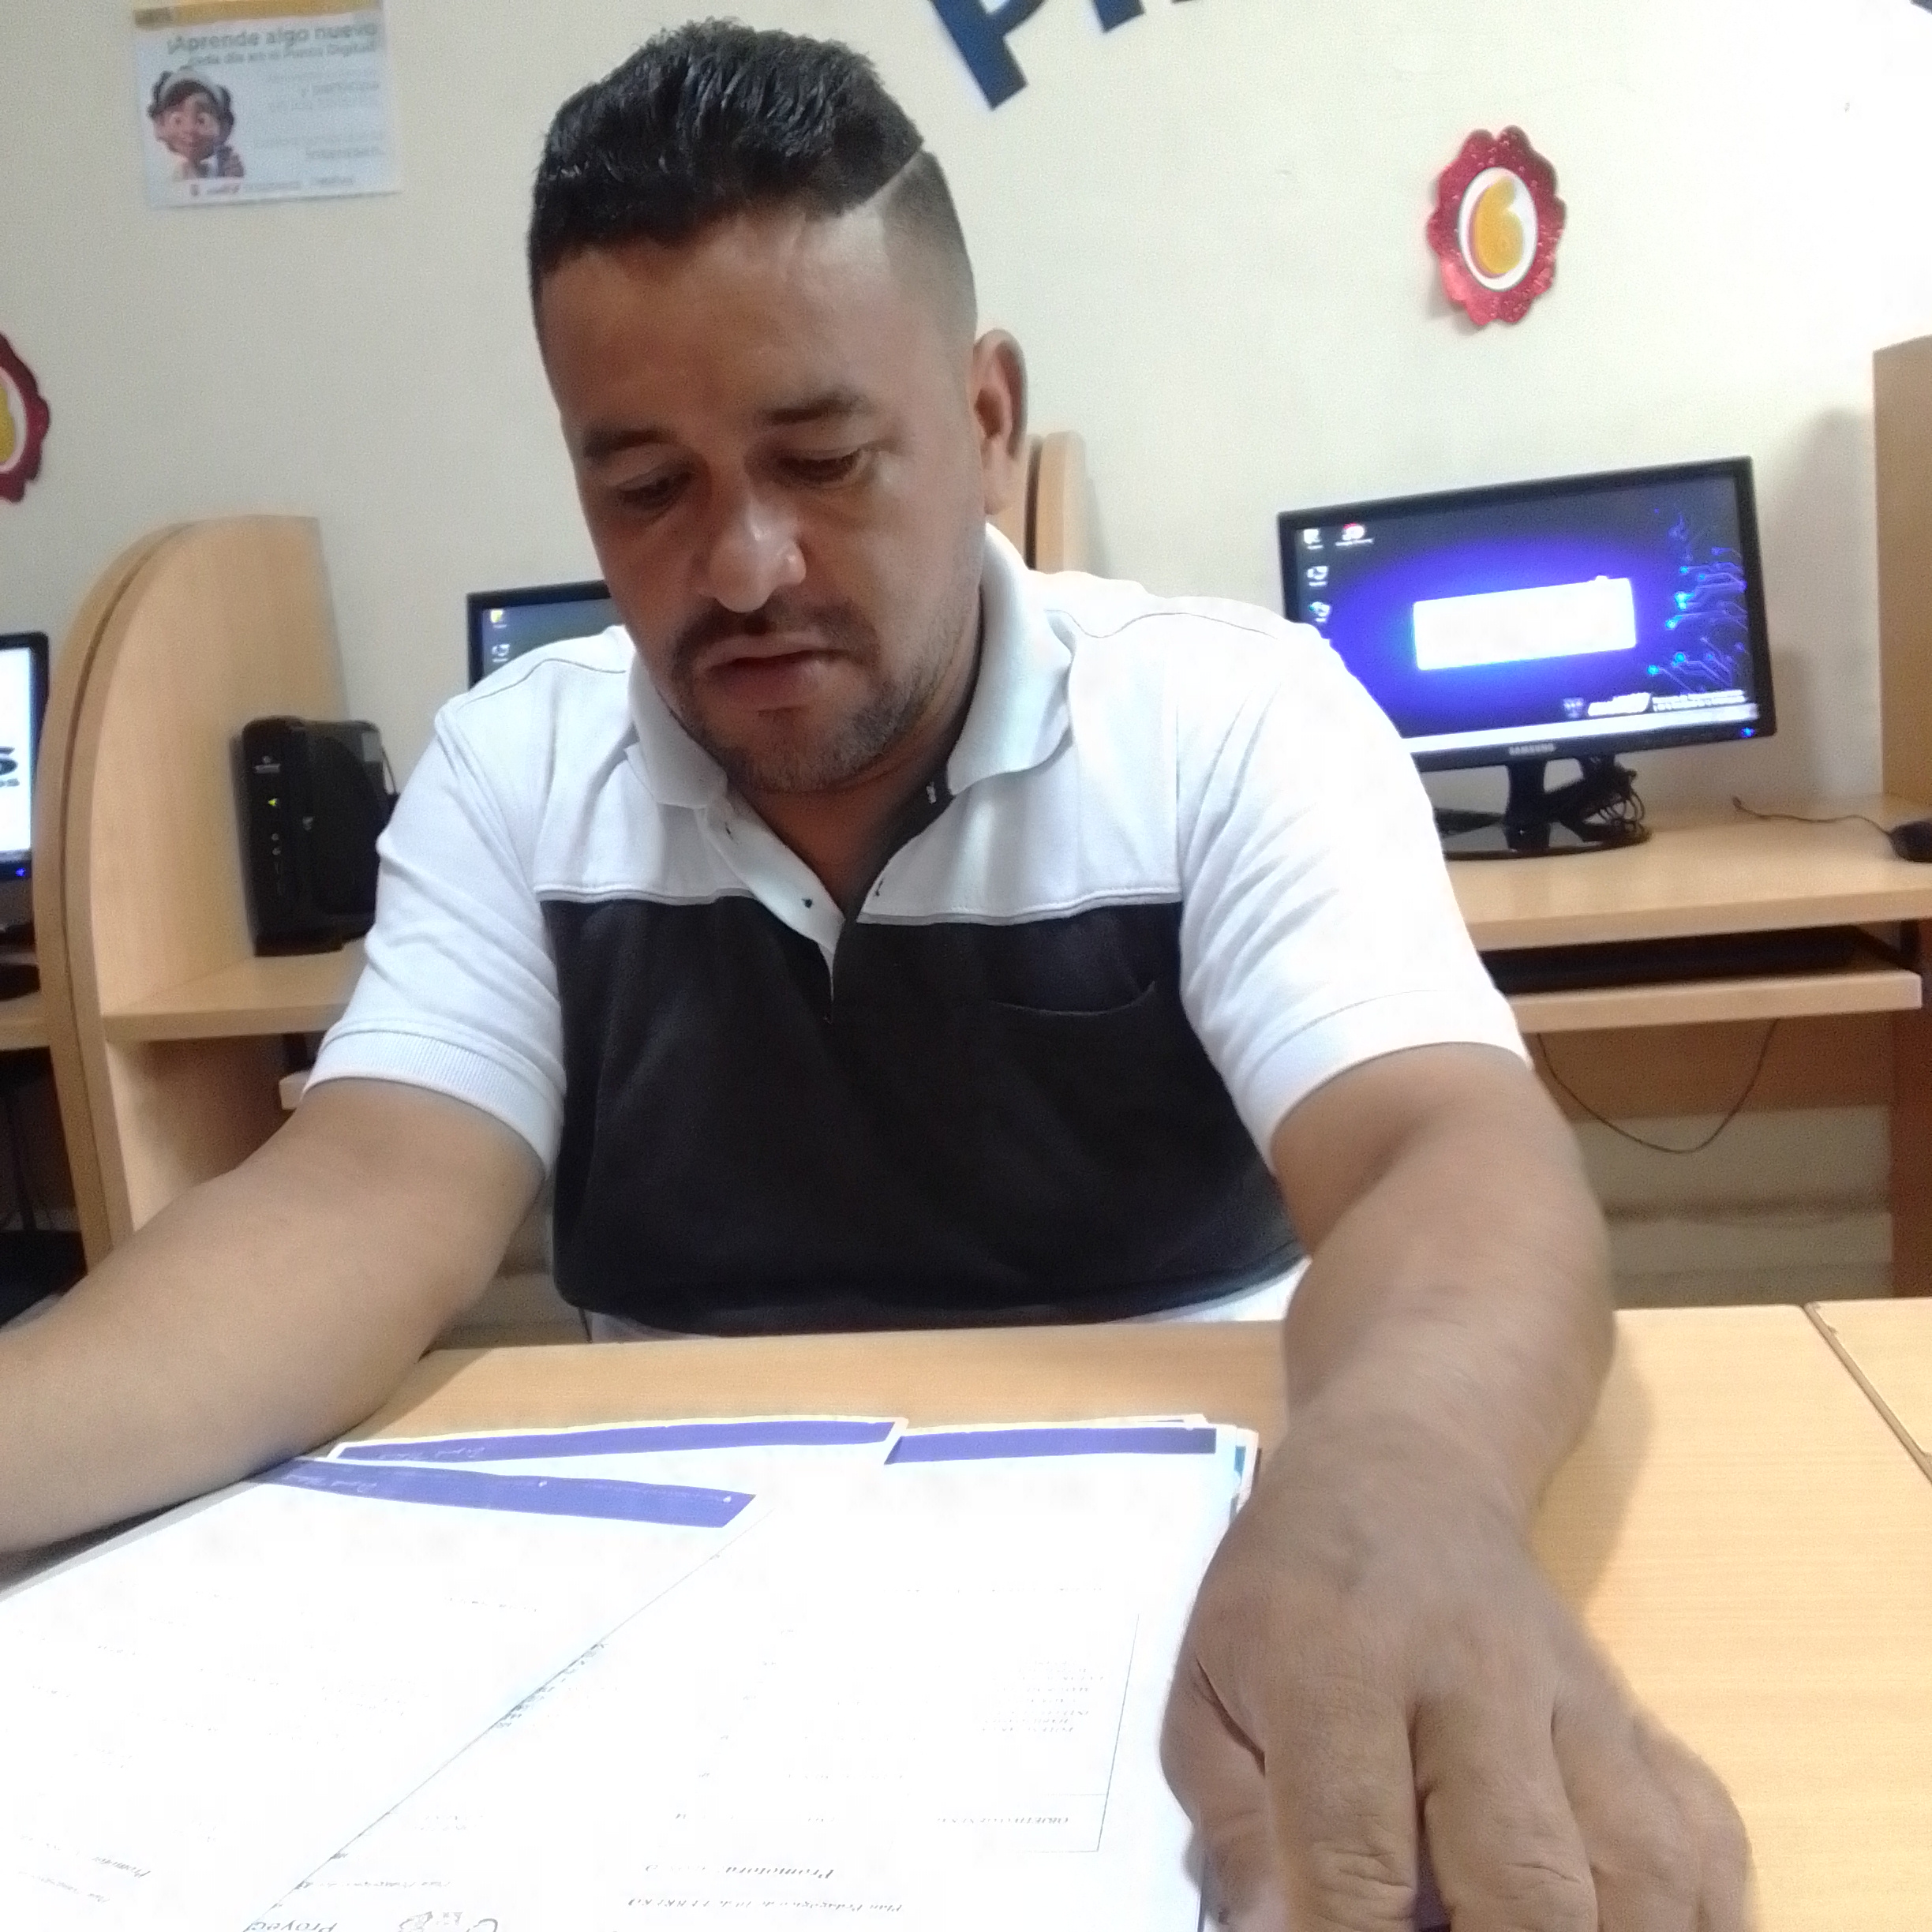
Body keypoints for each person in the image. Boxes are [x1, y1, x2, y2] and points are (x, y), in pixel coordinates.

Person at [3, 22, 1750, 1928]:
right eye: (645, 488)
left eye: (822, 460)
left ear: (986, 416)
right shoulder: (514, 772)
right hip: (669, 1662)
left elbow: (1443, 1151)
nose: (743, 566)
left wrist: (1404, 1467)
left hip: (1199, 1598)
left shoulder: (1227, 722)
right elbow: (347, 1203)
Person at [147, 68, 245, 182]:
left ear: (224, 128)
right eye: (178, 120)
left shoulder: (221, 170)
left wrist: (234, 183)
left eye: (201, 120)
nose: (190, 129)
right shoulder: (160, 175)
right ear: (159, 125)